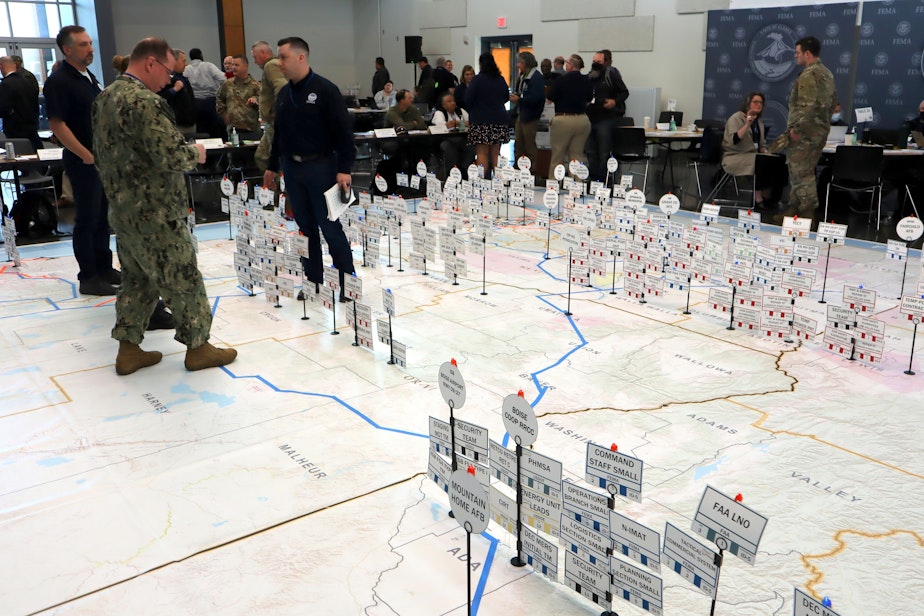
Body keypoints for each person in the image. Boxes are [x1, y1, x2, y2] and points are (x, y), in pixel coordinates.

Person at [92, 37, 237, 374]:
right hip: (156, 209)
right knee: (183, 276)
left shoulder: (104, 97)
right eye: (168, 72)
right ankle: (198, 347)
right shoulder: (144, 102)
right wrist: (195, 153)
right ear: (151, 63)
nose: (170, 81)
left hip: (123, 209)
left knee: (137, 279)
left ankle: (128, 349)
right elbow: (170, 154)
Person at [262, 37, 356, 300]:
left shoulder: (326, 90)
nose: (279, 63)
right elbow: (278, 134)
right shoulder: (283, 94)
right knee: (305, 229)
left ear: (301, 57)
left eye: (283, 57)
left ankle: (348, 283)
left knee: (331, 228)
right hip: (293, 169)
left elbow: (344, 133)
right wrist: (272, 166)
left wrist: (344, 168)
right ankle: (313, 281)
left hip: (323, 168)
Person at [43, 25, 119, 296]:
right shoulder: (59, 81)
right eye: (84, 45)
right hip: (84, 160)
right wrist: (85, 155)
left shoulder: (88, 77)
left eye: (90, 43)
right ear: (67, 49)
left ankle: (104, 268)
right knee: (87, 219)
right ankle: (88, 276)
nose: (91, 49)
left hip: (101, 160)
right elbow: (58, 125)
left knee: (101, 218)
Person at [768, 36, 837, 220]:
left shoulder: (808, 75)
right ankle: (793, 210)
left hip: (805, 133)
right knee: (800, 171)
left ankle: (806, 215)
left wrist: (796, 130)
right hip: (819, 131)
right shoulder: (827, 74)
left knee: (802, 173)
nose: (795, 56)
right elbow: (833, 105)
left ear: (807, 53)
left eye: (797, 52)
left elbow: (807, 106)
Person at [722, 91, 778, 206]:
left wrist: (765, 151)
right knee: (761, 161)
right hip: (735, 156)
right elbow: (734, 140)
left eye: (761, 103)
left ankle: (773, 197)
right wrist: (747, 124)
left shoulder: (759, 122)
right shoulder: (736, 118)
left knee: (778, 160)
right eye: (755, 102)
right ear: (748, 104)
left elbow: (762, 144)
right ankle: (758, 198)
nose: (758, 105)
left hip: (752, 155)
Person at [586, 49, 629, 181]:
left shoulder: (612, 74)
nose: (595, 64)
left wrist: (614, 101)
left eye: (598, 62)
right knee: (590, 151)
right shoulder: (590, 76)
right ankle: (593, 179)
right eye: (594, 61)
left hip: (606, 119)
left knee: (604, 152)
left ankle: (604, 179)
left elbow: (624, 92)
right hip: (590, 118)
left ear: (606, 62)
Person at [464, 52, 509, 178]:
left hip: (480, 120)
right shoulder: (500, 79)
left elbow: (468, 99)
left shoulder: (477, 80)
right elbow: (506, 97)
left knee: (482, 153)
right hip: (499, 119)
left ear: (480, 64)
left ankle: (481, 183)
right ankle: (500, 183)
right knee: (496, 154)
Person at [547, 53, 593, 172]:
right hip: (582, 120)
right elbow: (589, 100)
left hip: (563, 119)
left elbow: (549, 99)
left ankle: (554, 185)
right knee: (577, 155)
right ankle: (576, 185)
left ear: (570, 66)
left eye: (567, 63)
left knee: (558, 155)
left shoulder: (560, 80)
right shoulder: (587, 80)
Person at [251, 40, 287, 172]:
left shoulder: (270, 65)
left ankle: (279, 186)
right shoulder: (276, 64)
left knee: (266, 157)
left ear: (262, 53)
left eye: (255, 57)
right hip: (272, 120)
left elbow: (282, 87)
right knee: (264, 156)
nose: (254, 61)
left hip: (275, 121)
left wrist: (278, 112)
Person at [509, 51, 546, 174]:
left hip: (531, 116)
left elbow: (536, 99)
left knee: (529, 145)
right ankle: (518, 169)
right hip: (522, 114)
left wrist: (519, 99)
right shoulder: (523, 76)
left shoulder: (536, 78)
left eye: (519, 62)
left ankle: (532, 171)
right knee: (518, 144)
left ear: (525, 63)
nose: (517, 65)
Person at [215, 54, 261, 140]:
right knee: (234, 153)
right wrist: (224, 113)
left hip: (251, 129)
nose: (233, 67)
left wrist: (256, 99)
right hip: (233, 129)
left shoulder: (255, 85)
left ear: (245, 66)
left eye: (236, 65)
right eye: (232, 65)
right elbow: (219, 98)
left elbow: (264, 101)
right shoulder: (227, 84)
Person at [0, 55, 41, 151]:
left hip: (15, 130)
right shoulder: (27, 81)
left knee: (20, 159)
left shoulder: (6, 84)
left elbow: (3, 109)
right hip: (32, 126)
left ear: (1, 66)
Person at [184, 48, 226, 138]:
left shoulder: (187, 69)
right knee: (215, 129)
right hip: (211, 101)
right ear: (201, 55)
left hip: (195, 103)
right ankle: (219, 151)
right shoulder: (208, 66)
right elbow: (223, 78)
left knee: (201, 131)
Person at [158, 49, 197, 139]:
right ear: (173, 61)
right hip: (176, 125)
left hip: (190, 123)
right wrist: (174, 90)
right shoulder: (165, 79)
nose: (186, 64)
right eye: (183, 61)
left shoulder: (184, 79)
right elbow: (159, 97)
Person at [431, 92, 472, 174]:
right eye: (449, 101)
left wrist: (456, 123)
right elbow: (443, 125)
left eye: (453, 101)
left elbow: (471, 122)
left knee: (471, 147)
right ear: (443, 105)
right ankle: (449, 171)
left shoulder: (460, 110)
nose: (453, 103)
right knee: (449, 147)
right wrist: (460, 123)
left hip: (462, 138)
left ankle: (464, 169)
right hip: (446, 139)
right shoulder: (440, 113)